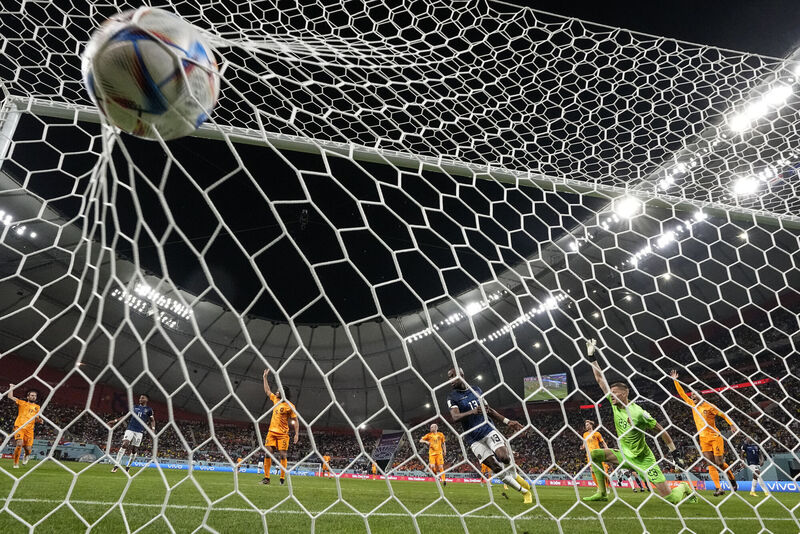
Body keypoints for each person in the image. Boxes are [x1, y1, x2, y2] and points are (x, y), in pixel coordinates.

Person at [583, 340, 695, 504]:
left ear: (624, 394)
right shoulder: (614, 405)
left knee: (671, 499)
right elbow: (600, 379)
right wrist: (592, 357)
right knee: (595, 454)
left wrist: (674, 453)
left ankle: (683, 487)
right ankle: (602, 492)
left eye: (614, 393)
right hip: (624, 455)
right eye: (610, 392)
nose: (611, 395)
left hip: (643, 460)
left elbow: (660, 429)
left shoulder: (639, 413)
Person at [446, 367, 532, 503]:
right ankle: (525, 493)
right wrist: (472, 412)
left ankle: (516, 476)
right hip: (473, 439)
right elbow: (455, 417)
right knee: (496, 468)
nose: (450, 380)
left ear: (461, 374)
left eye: (452, 376)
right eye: (449, 378)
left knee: (504, 457)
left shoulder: (477, 390)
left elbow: (489, 410)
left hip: (488, 430)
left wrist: (507, 421)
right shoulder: (452, 397)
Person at [670, 370, 738, 496]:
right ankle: (719, 488)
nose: (692, 397)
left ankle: (732, 480)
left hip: (715, 437)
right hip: (703, 439)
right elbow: (681, 394)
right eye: (692, 395)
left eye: (695, 395)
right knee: (710, 463)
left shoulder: (709, 406)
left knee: (719, 463)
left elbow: (722, 414)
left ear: (701, 396)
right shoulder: (692, 405)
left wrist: (731, 424)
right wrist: (675, 380)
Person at [260, 369, 298, 486]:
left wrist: (296, 434)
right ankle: (266, 478)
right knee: (268, 453)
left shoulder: (290, 406)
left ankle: (282, 478)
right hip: (271, 432)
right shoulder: (275, 400)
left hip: (283, 434)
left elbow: (295, 420)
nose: (276, 393)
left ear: (283, 393)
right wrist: (264, 378)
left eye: (278, 391)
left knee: (282, 455)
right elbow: (267, 391)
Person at [108, 394, 154, 473]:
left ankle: (128, 466)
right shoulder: (134, 407)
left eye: (142, 398)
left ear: (146, 400)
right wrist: (115, 421)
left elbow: (152, 420)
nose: (140, 399)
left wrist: (153, 429)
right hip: (130, 429)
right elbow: (126, 416)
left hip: (139, 431)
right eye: (140, 398)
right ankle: (116, 465)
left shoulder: (149, 410)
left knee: (134, 450)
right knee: (125, 444)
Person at [7, 384, 41, 469]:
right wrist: (11, 387)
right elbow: (10, 396)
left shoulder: (37, 407)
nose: (33, 397)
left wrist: (40, 420)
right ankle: (16, 464)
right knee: (19, 444)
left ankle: (26, 455)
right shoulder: (22, 403)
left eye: (35, 396)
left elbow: (36, 418)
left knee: (28, 449)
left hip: (29, 430)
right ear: (28, 397)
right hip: (19, 427)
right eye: (32, 395)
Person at [580, 420, 611, 491]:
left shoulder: (597, 433)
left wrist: (607, 449)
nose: (586, 426)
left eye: (587, 425)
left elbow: (603, 443)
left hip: (597, 454)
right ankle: (599, 487)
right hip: (589, 455)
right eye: (585, 425)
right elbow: (584, 445)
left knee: (603, 471)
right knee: (592, 471)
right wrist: (582, 447)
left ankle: (606, 487)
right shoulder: (585, 434)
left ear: (591, 425)